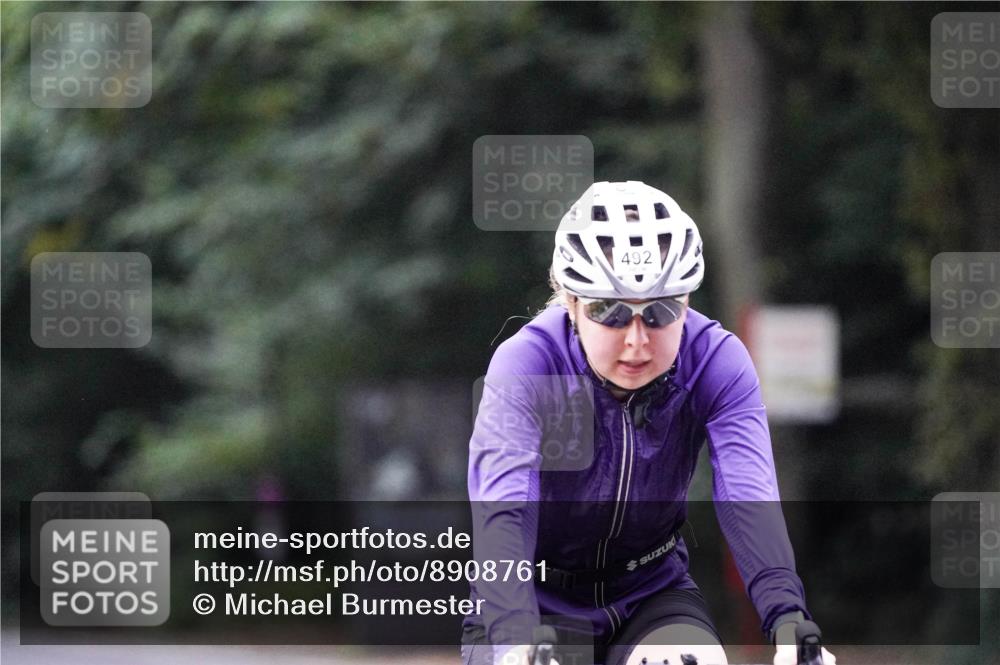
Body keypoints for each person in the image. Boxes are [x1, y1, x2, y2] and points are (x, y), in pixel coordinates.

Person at [462, 181, 837, 665]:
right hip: (535, 597)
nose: (637, 341)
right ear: (571, 304)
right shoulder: (530, 364)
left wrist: (787, 618)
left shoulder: (715, 360)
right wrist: (515, 638)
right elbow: (505, 513)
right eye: (610, 312)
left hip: (650, 593)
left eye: (660, 312)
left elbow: (749, 495)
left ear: (687, 302)